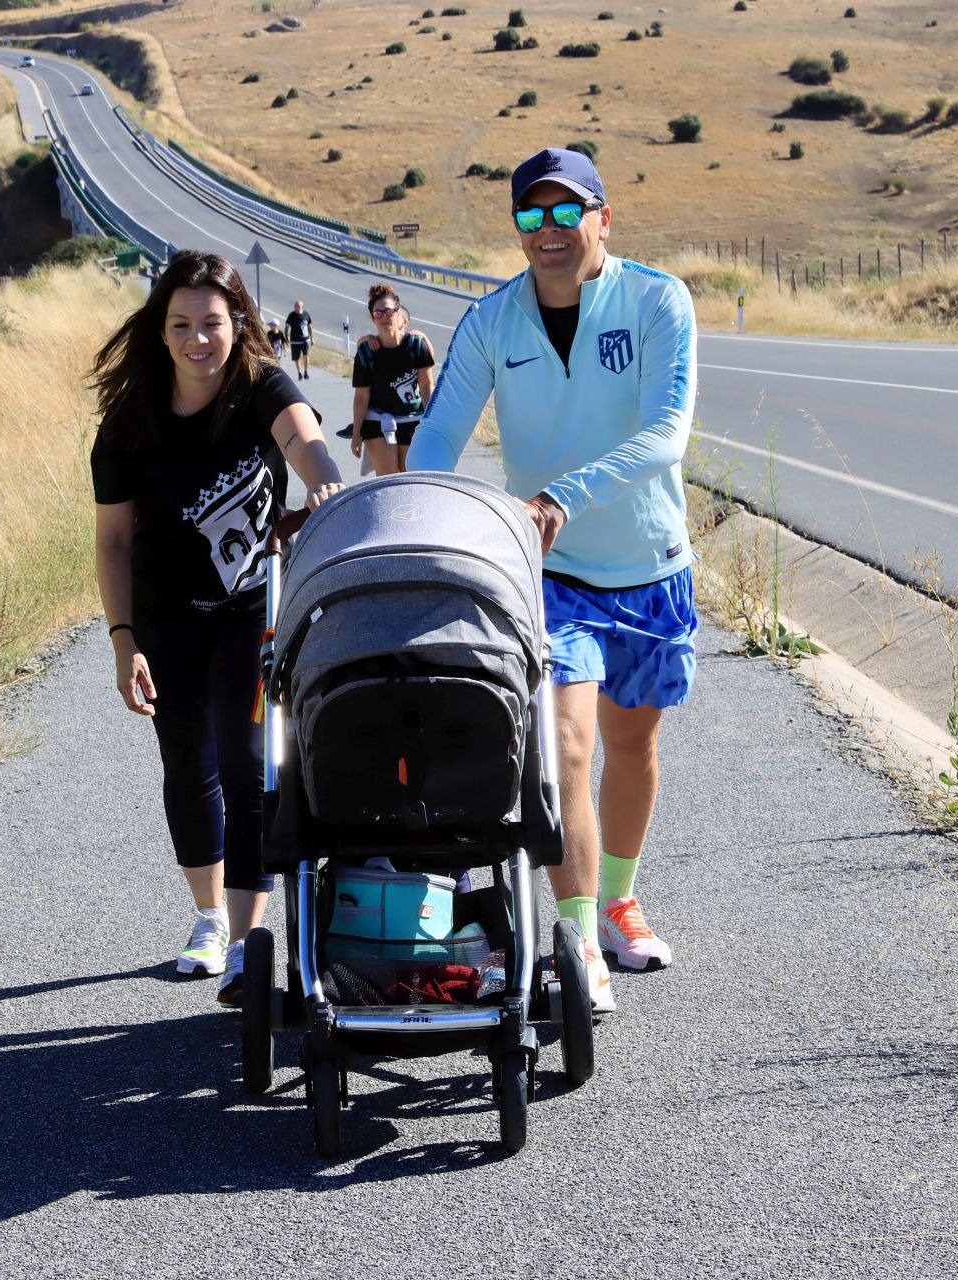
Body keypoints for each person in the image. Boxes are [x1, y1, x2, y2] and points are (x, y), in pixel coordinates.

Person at [406, 148, 698, 1015]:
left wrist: (560, 495)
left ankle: (617, 901)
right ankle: (574, 937)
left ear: (604, 218)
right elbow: (437, 436)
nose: (549, 232)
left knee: (633, 748)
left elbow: (666, 437)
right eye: (530, 217)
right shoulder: (493, 320)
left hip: (650, 569)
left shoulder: (656, 301)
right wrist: (420, 517)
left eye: (567, 212)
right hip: (551, 572)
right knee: (562, 747)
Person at [90, 251, 343, 1005]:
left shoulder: (261, 385)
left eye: (213, 322)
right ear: (160, 332)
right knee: (186, 768)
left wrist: (324, 480)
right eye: (182, 325)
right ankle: (206, 917)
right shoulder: (129, 424)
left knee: (248, 768)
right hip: (166, 616)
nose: (199, 338)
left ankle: (244, 942)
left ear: (238, 325)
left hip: (248, 613)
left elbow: (303, 439)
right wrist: (123, 639)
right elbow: (111, 541)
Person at [349, 283, 436, 476]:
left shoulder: (415, 345)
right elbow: (361, 396)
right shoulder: (366, 351)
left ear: (398, 314)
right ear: (372, 317)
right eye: (377, 313)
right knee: (388, 479)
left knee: (409, 475)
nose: (384, 317)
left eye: (388, 311)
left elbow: (426, 386)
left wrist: (433, 424)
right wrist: (356, 434)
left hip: (413, 417)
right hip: (378, 419)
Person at [284, 299, 313, 380]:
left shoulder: (306, 314)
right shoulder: (291, 315)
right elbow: (287, 327)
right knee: (296, 358)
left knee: (306, 355)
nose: (297, 307)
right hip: (295, 341)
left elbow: (310, 326)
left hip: (305, 339)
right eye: (296, 306)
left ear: (301, 306)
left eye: (298, 306)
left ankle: (306, 372)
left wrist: (312, 338)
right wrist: (286, 338)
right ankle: (299, 372)